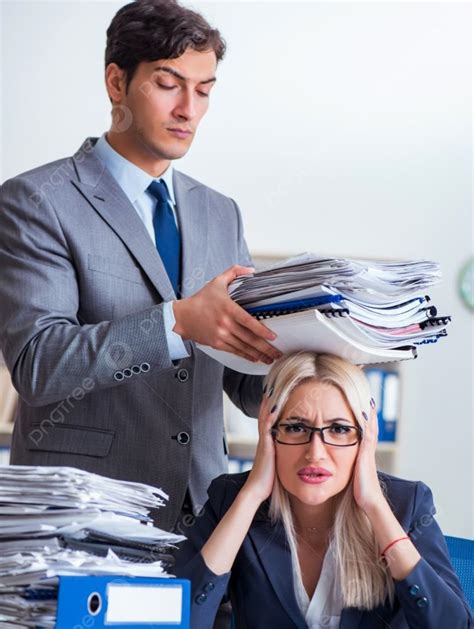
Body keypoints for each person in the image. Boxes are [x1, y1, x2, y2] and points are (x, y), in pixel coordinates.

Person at [0, 0, 282, 532]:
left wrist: (323, 351)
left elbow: (245, 383)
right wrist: (176, 323)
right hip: (82, 517)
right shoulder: (38, 201)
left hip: (202, 520)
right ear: (117, 83)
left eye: (204, 90)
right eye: (168, 83)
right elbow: (38, 365)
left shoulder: (221, 213)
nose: (189, 110)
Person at [173, 352, 472, 628]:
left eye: (339, 429)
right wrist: (251, 496)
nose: (315, 453)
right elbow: (177, 619)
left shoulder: (407, 505)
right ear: (269, 433)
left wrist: (375, 507)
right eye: (295, 427)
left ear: (365, 437)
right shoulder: (231, 500)